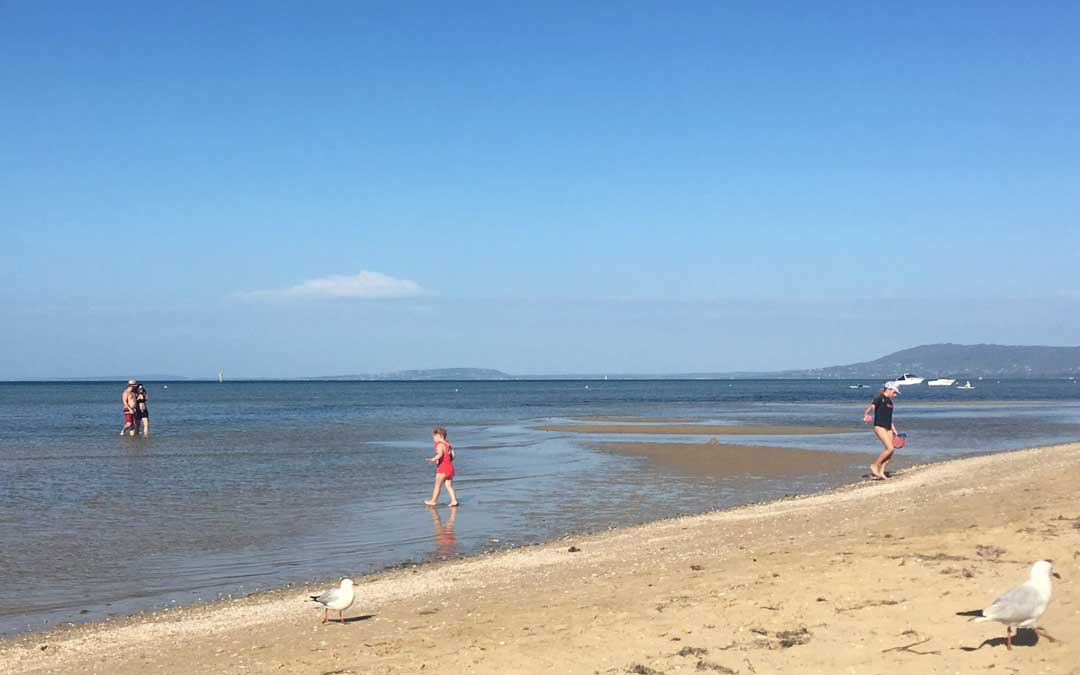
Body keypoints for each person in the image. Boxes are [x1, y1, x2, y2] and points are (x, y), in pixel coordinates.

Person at [863, 381, 900, 479]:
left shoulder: (890, 402)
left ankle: (882, 472)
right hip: (879, 426)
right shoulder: (880, 398)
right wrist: (866, 414)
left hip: (888, 427)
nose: (895, 394)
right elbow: (872, 406)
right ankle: (875, 465)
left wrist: (894, 430)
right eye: (894, 392)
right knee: (890, 448)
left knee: (891, 451)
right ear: (889, 389)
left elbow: (889, 417)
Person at [424, 426, 459, 507]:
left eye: (434, 437)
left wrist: (433, 459)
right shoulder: (448, 444)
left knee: (437, 486)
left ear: (439, 436)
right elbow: (453, 456)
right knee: (448, 485)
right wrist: (448, 460)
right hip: (450, 468)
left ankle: (433, 501)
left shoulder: (439, 445)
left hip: (443, 468)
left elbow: (440, 454)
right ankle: (454, 500)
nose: (433, 439)